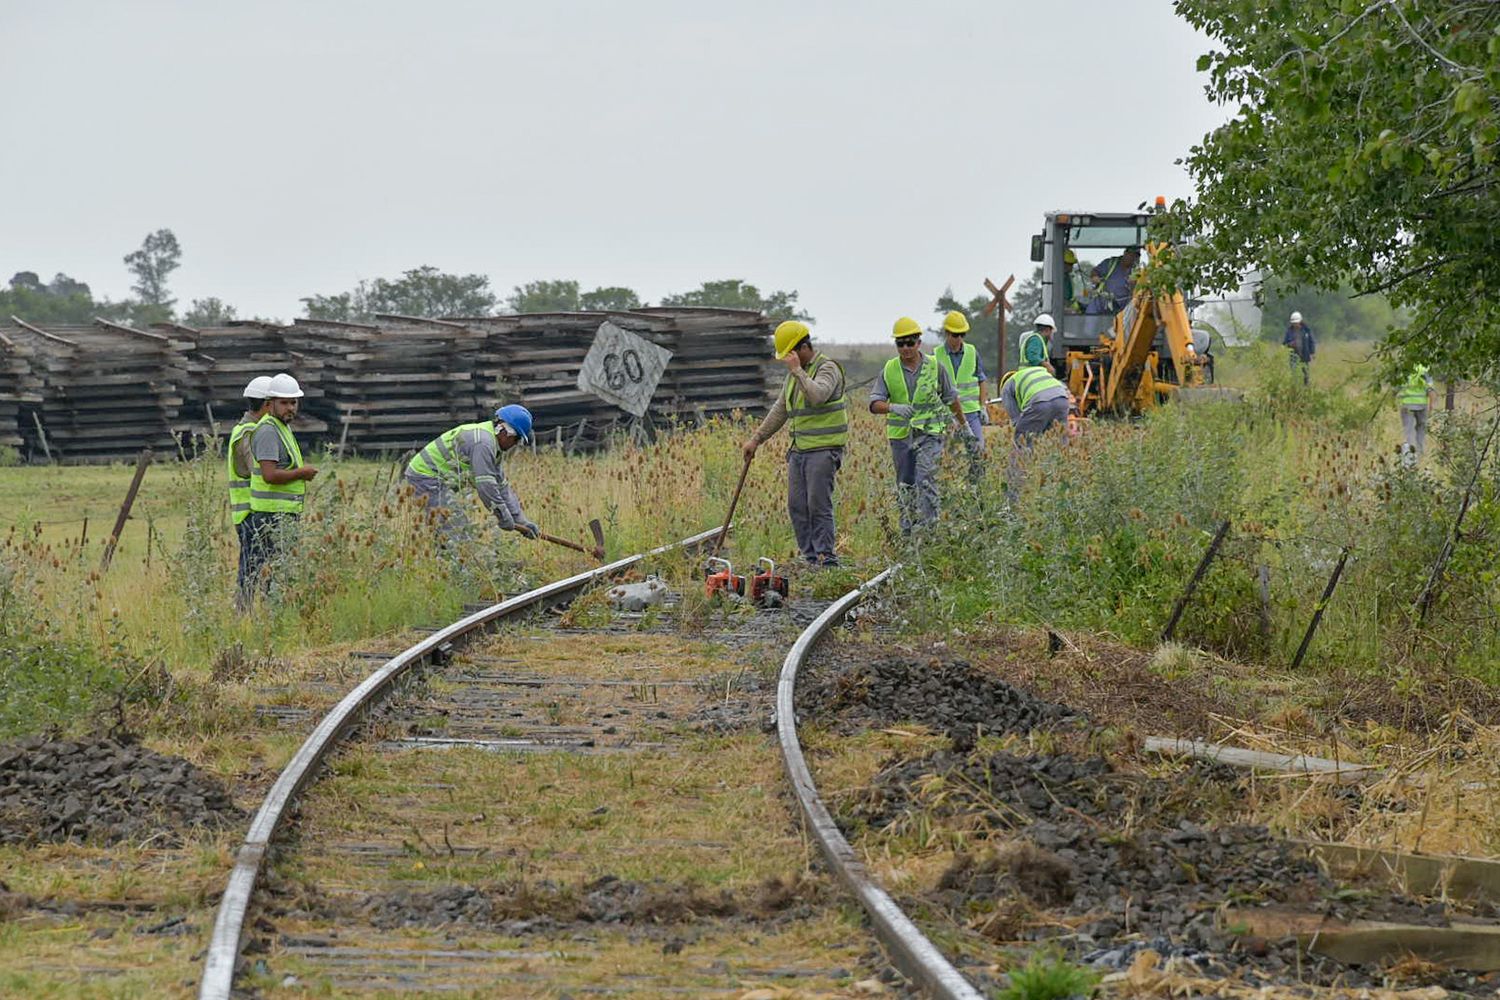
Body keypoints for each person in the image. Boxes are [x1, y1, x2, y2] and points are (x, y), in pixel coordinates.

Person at [742, 320, 848, 566]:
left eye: (788, 354)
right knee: (797, 505)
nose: (786, 360)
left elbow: (818, 396)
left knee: (817, 504)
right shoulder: (793, 377)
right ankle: (809, 557)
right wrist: (756, 439)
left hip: (823, 450)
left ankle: (825, 558)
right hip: (799, 450)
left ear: (801, 348)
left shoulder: (827, 368)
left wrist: (798, 371)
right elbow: (781, 409)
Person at [869, 316, 972, 534]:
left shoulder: (935, 367)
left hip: (930, 435)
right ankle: (909, 535)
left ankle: (929, 532)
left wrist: (964, 426)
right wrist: (892, 407)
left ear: (918, 342)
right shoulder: (889, 369)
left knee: (926, 479)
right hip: (901, 437)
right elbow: (874, 403)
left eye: (910, 342)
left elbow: (951, 399)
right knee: (905, 485)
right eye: (900, 343)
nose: (905, 348)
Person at [404, 404, 540, 542]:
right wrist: (503, 515)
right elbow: (486, 486)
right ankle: (453, 561)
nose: (516, 444)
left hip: (438, 479)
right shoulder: (483, 443)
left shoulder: (493, 445)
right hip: (426, 477)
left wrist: (521, 521)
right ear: (504, 430)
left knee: (452, 532)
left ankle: (445, 560)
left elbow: (501, 486)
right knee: (457, 533)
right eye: (516, 438)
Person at [246, 373, 319, 597]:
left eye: (293, 403)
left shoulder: (281, 427)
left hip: (282, 514)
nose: (290, 408)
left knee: (280, 571)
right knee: (271, 572)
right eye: (284, 403)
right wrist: (301, 473)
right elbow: (269, 475)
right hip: (271, 516)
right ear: (270, 404)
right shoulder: (268, 430)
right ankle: (266, 616)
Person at [1000, 327, 1072, 496]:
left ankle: (1012, 497)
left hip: (1040, 402)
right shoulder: (1037, 371)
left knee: (1022, 446)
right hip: (1062, 398)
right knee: (1058, 446)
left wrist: (1028, 437)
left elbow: (1017, 420)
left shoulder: (1008, 386)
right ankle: (1061, 493)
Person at [228, 375, 271, 608]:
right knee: (251, 571)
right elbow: (259, 471)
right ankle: (243, 616)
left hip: (251, 512)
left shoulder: (249, 430)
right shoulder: (250, 433)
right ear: (266, 404)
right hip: (251, 513)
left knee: (255, 568)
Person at [933, 310, 988, 458]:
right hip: (948, 415)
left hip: (971, 413)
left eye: (962, 335)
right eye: (955, 335)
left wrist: (983, 406)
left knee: (978, 452)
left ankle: (976, 481)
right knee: (952, 456)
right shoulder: (936, 355)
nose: (959, 339)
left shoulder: (972, 352)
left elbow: (982, 380)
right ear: (947, 333)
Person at [1086, 246, 1141, 314]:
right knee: (1091, 317)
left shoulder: (1137, 271)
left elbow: (1138, 291)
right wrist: (1095, 277)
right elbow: (1095, 271)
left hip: (1121, 308)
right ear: (1125, 253)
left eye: (1135, 256)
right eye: (1131, 255)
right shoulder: (1110, 263)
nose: (1132, 258)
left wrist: (1134, 285)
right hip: (1102, 301)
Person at [1397, 363, 1434, 466]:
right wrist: (1431, 405)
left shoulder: (1404, 368)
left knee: (1408, 432)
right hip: (1422, 405)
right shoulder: (1425, 368)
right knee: (1421, 431)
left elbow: (1397, 387)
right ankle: (1420, 456)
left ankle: (1409, 460)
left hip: (1407, 405)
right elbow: (1430, 389)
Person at [1284, 311, 1316, 385]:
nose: (1295, 324)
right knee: (1294, 374)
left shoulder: (1306, 330)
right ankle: (1295, 389)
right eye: (1293, 323)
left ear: (1300, 321)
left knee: (1306, 375)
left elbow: (1311, 342)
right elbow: (1284, 344)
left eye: (1296, 323)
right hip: (1294, 357)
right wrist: (1290, 344)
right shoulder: (1289, 332)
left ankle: (1306, 389)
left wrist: (1312, 352)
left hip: (1304, 356)